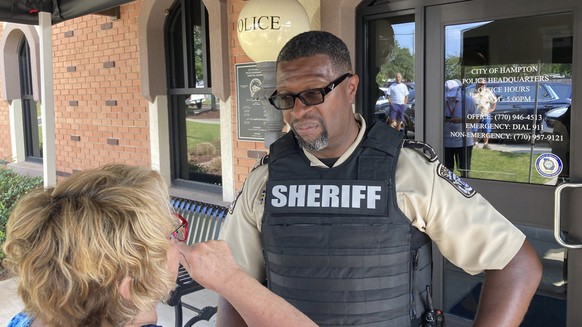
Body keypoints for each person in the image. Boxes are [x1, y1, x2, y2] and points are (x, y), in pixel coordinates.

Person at [218, 30, 542, 327]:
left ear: (350, 87)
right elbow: (233, 284)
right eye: (287, 98)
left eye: (314, 94)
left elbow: (515, 264)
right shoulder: (265, 179)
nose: (299, 111)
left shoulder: (409, 170)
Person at [3, 164, 316, 327]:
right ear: (126, 284)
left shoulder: (27, 320)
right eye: (169, 235)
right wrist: (233, 280)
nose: (179, 241)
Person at [444, 79, 478, 177]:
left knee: (464, 171)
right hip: (446, 141)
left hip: (464, 141)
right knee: (446, 171)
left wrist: (461, 120)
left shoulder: (468, 100)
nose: (451, 98)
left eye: (453, 96)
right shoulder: (441, 100)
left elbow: (476, 119)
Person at [471, 78, 498, 149]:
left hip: (485, 113)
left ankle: (485, 144)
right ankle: (475, 143)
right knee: (474, 129)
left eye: (484, 84)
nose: (482, 85)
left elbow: (494, 100)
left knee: (486, 129)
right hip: (475, 113)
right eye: (481, 84)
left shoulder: (488, 92)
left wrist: (492, 109)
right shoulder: (472, 92)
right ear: (477, 84)